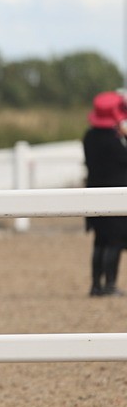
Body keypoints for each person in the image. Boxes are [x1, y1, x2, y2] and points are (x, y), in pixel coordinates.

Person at [82, 91, 127, 296]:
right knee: (115, 241)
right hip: (115, 194)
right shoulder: (113, 141)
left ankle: (95, 285)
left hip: (93, 193)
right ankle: (109, 285)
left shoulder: (89, 137)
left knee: (100, 240)